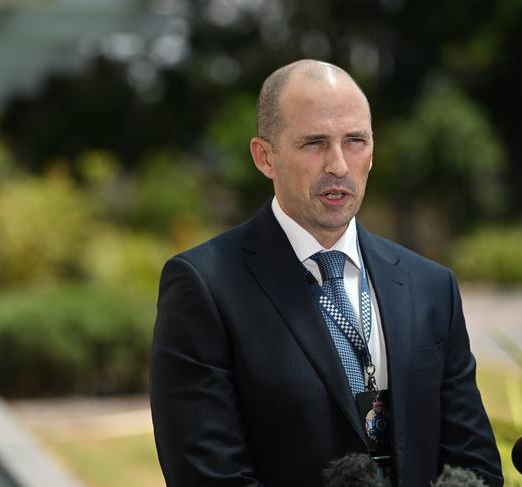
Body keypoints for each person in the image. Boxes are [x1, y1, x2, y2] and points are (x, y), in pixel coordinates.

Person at [149, 59, 502, 487]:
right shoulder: (204, 285)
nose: (338, 164)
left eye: (355, 140)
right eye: (314, 143)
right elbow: (208, 476)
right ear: (265, 157)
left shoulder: (431, 286)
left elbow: (474, 465)